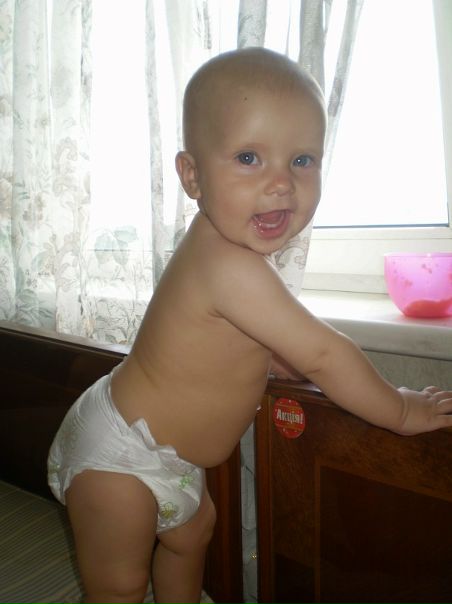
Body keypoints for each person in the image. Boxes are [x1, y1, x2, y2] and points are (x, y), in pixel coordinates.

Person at [48, 47, 452, 604]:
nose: (281, 183)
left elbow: (248, 342)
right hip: (119, 454)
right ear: (192, 175)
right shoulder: (227, 264)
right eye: (248, 157)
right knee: (119, 585)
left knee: (191, 538)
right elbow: (324, 354)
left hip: (171, 457)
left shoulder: (232, 255)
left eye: (302, 160)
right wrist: (400, 409)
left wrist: (275, 361)